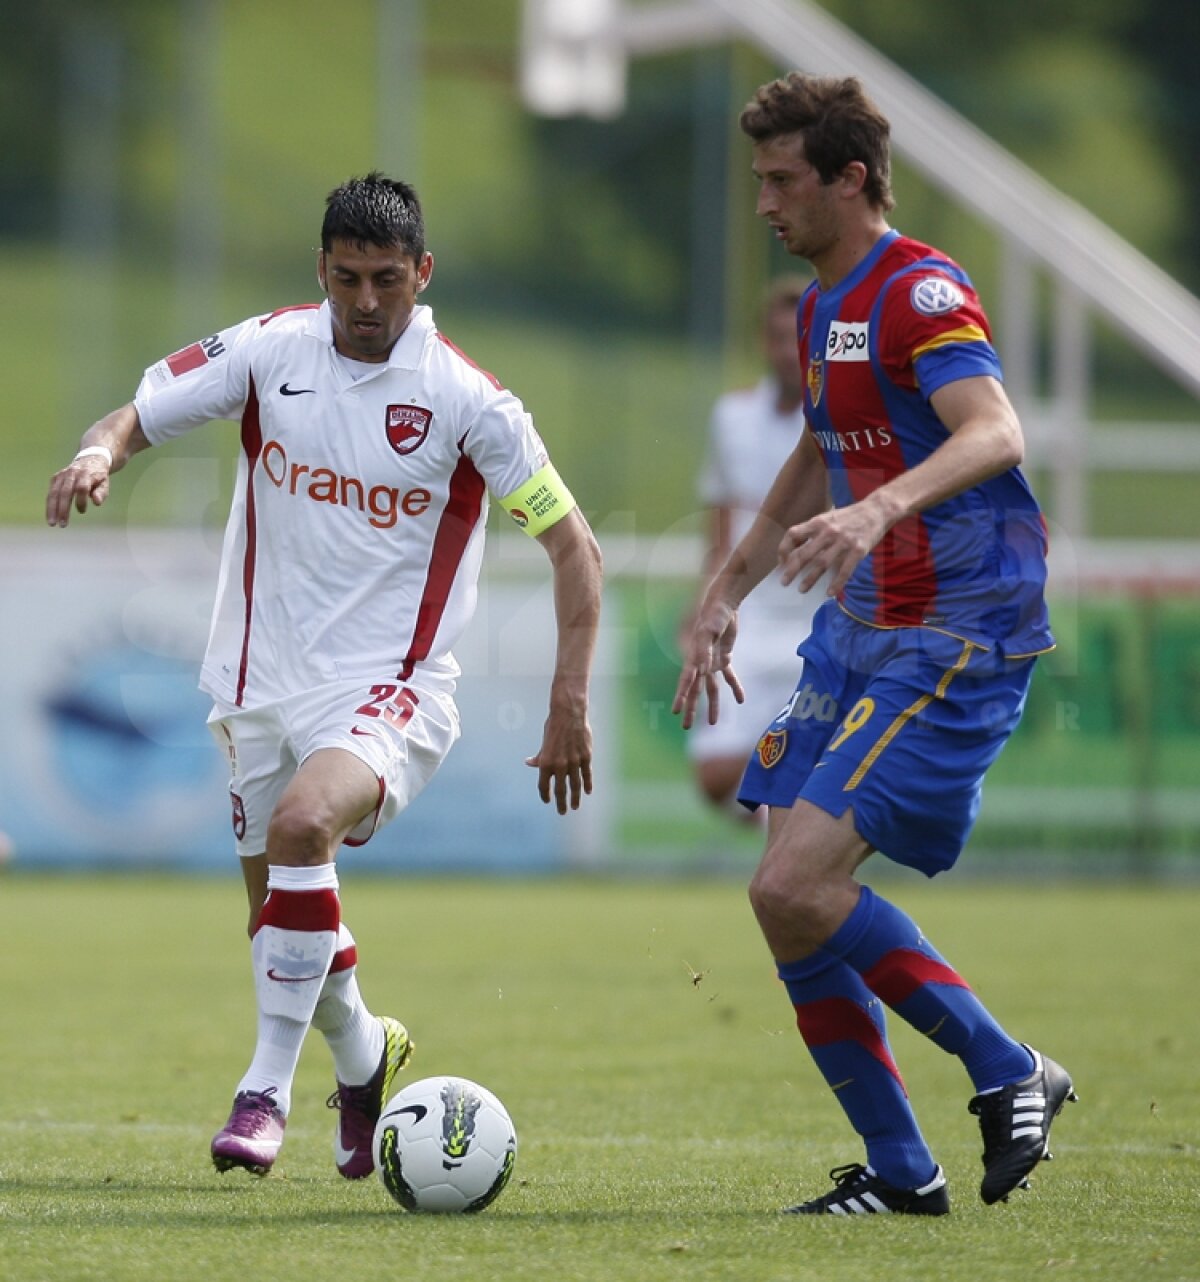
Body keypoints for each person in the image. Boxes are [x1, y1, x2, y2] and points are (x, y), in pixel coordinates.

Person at [47, 172, 603, 1180]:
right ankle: (364, 1052)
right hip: (256, 680)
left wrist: (569, 699)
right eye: (346, 278)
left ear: (423, 273)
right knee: (279, 917)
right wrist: (98, 456)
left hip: (393, 685)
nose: (364, 301)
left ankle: (263, 1091)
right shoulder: (272, 350)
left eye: (386, 279)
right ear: (321, 270)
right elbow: (134, 414)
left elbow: (575, 548)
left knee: (305, 828)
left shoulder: (468, 401)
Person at [673, 74, 1075, 1215]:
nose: (764, 203)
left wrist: (881, 507)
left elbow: (996, 431)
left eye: (781, 180)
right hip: (864, 625)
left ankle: (1009, 1067)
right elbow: (815, 453)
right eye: (759, 180)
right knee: (779, 894)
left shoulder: (919, 289)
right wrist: (724, 589)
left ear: (850, 178)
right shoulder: (818, 308)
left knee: (798, 882)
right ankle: (903, 1172)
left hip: (960, 623)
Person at [685, 277, 817, 821]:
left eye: (799, 339)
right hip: (748, 616)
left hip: (816, 617)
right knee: (716, 777)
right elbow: (720, 522)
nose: (788, 351)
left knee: (795, 777)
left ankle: (791, 847)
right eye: (778, 338)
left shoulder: (838, 421)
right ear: (764, 341)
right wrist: (703, 604)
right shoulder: (732, 416)